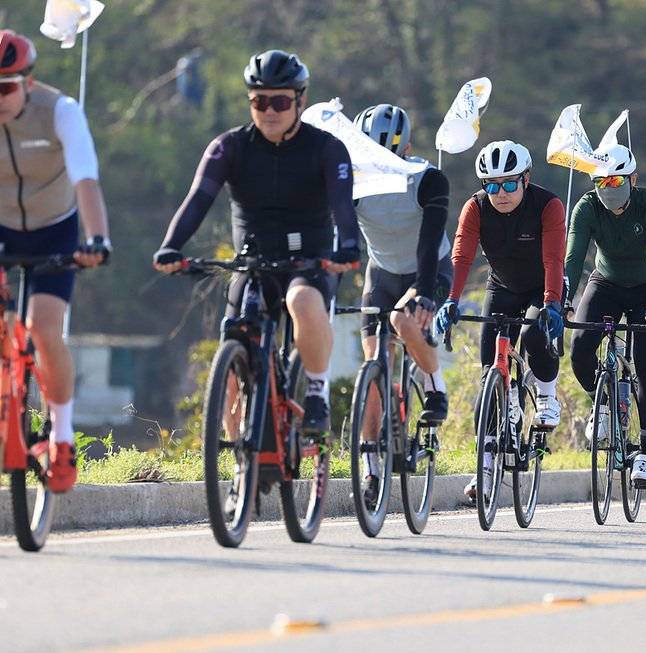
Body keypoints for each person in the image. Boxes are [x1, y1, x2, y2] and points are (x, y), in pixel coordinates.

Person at [153, 50, 359, 437]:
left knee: (302, 301)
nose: (269, 110)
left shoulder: (326, 149)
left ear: (300, 99)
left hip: (310, 263)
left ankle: (316, 390)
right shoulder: (228, 147)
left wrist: (348, 247)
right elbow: (199, 198)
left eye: (280, 101)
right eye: (259, 101)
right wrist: (171, 246)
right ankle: (236, 468)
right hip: (253, 262)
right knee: (231, 347)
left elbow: (343, 205)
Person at [0, 29, 111, 493]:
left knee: (45, 328)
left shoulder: (61, 111)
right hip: (3, 228)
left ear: (29, 81)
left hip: (56, 229)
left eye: (6, 87)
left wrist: (97, 238)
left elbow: (86, 178)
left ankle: (61, 435)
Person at [434, 140, 565, 503]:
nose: (501, 193)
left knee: (536, 336)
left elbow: (554, 260)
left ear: (526, 179)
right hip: (502, 286)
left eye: (509, 184)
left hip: (544, 284)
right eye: (492, 185)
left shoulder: (548, 205)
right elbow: (460, 257)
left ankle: (546, 395)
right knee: (488, 374)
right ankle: (485, 471)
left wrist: (553, 304)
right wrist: (451, 300)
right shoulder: (475, 208)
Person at [351, 103, 452, 502]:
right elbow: (336, 232)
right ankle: (371, 468)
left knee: (403, 321)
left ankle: (435, 387)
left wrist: (425, 292)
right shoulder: (352, 182)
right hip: (382, 274)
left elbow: (429, 243)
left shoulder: (428, 179)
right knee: (372, 369)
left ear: (408, 147)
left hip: (428, 270)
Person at [564, 144, 646, 490]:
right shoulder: (587, 207)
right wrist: (562, 299)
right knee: (580, 345)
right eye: (601, 183)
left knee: (645, 362)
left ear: (633, 179)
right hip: (606, 282)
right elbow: (574, 255)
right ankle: (605, 403)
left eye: (616, 182)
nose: (608, 189)